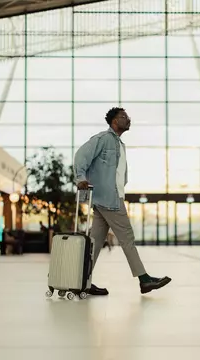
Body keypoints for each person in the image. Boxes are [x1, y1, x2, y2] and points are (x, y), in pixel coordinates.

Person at [74, 107, 171, 296]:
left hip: (107, 197)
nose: (128, 119)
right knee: (127, 237)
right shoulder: (103, 139)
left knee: (94, 243)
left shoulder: (119, 144)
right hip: (109, 198)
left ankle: (81, 282)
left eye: (128, 117)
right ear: (113, 121)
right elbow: (81, 156)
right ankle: (144, 280)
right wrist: (80, 178)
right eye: (123, 117)